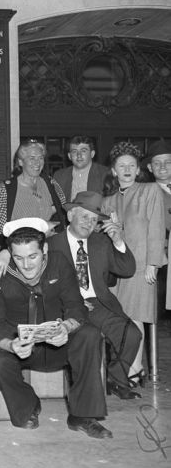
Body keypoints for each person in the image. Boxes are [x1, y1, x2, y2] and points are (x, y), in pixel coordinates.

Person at [0, 218, 112, 439]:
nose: (26, 265)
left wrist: (66, 327)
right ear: (9, 254)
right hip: (21, 348)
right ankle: (28, 404)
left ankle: (82, 415)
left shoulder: (59, 263)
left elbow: (76, 307)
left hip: (58, 344)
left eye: (33, 256)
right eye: (18, 258)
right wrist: (11, 345)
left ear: (45, 249)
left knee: (90, 334)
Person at [48, 191, 142, 399]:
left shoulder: (101, 242)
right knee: (87, 339)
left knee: (133, 334)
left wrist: (118, 240)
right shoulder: (52, 245)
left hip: (98, 304)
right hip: (67, 306)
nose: (89, 223)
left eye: (94, 219)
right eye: (84, 217)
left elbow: (127, 269)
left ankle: (115, 380)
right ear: (71, 215)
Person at [102, 141, 166, 386]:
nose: (127, 169)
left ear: (139, 170)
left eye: (132, 165)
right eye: (122, 166)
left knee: (136, 315)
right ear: (114, 171)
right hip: (117, 268)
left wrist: (153, 263)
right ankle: (125, 367)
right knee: (120, 317)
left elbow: (157, 228)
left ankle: (135, 368)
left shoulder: (150, 191)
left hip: (141, 267)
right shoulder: (108, 201)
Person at [0, 139, 66, 259]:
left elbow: (62, 215)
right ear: (20, 162)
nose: (37, 162)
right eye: (32, 158)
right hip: (17, 255)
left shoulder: (51, 184)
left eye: (40, 158)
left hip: (47, 252)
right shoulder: (5, 190)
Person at [145, 138, 171, 311]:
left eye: (168, 162)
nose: (162, 167)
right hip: (161, 258)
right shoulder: (144, 193)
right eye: (157, 163)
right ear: (149, 167)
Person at [53, 136, 108, 202]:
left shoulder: (105, 174)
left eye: (83, 151)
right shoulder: (59, 176)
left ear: (92, 154)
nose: (79, 155)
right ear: (69, 156)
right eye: (74, 151)